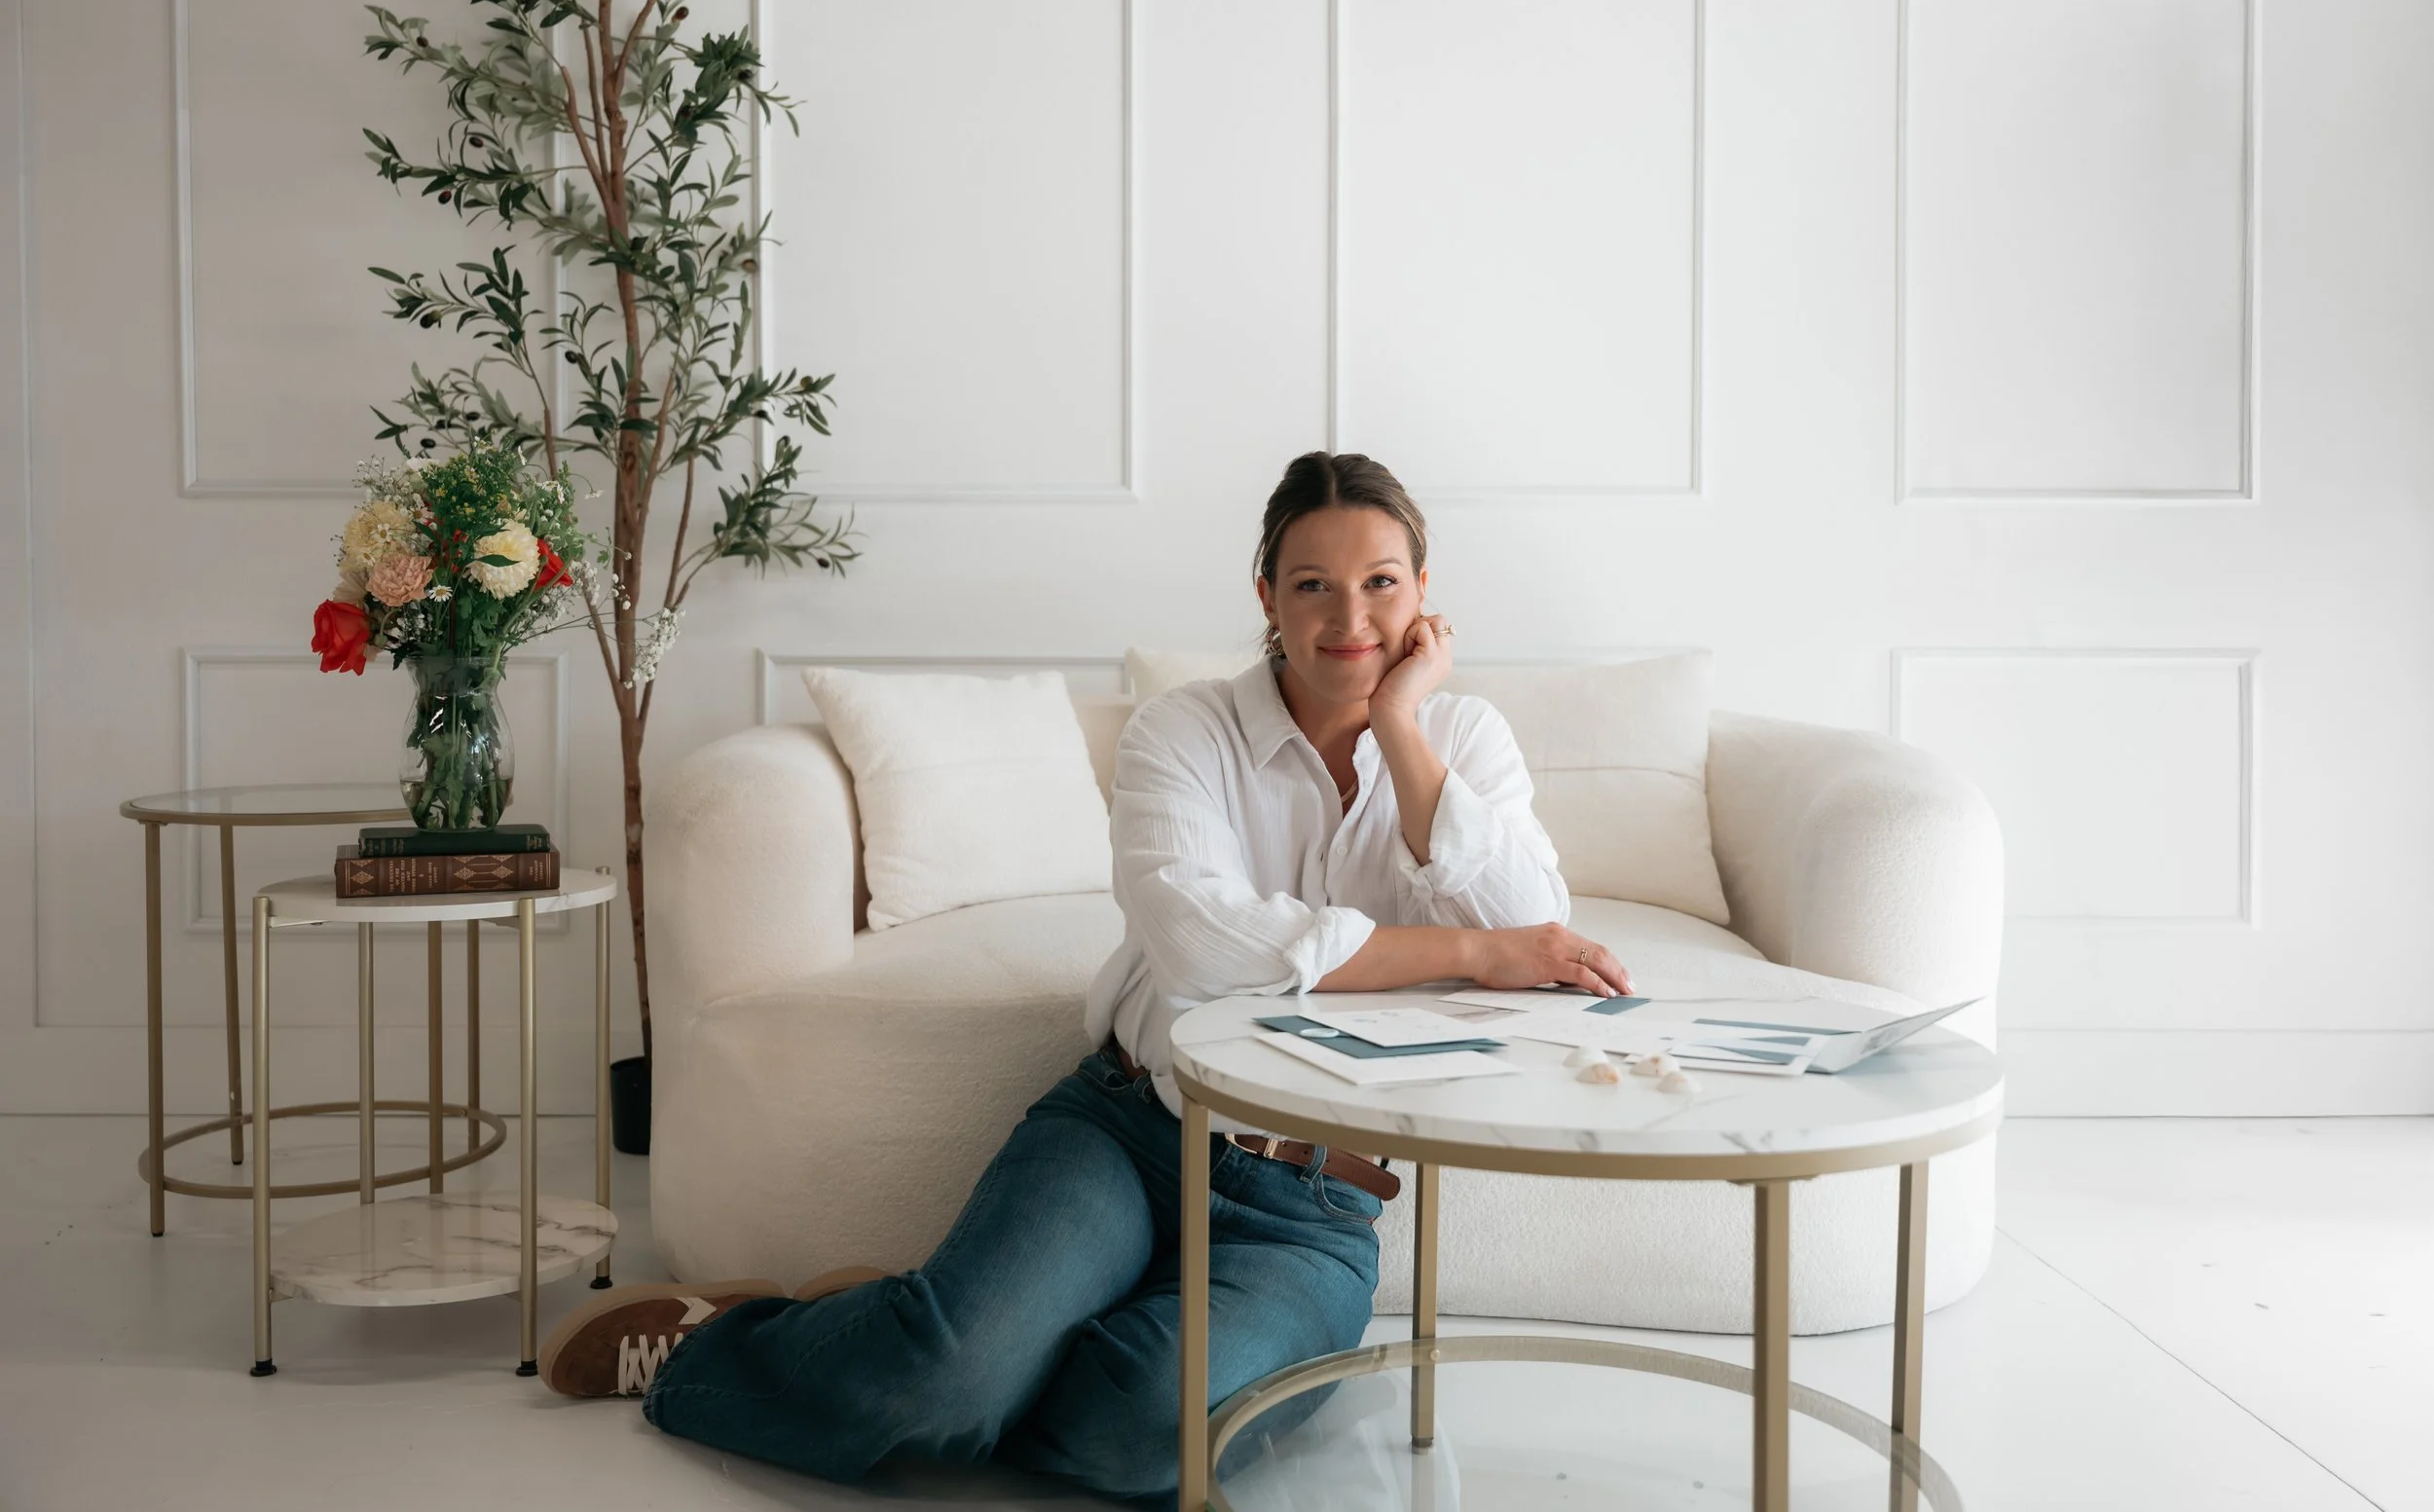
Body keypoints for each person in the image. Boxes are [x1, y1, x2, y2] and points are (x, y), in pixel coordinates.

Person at [535, 451, 1631, 1504]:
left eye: (1380, 583)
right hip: (1133, 1127)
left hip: (1314, 1200)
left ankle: (900, 1330)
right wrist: (1477, 954)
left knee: (1143, 1434)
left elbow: (1531, 919)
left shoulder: (1462, 739)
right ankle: (747, 1340)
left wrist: (1399, 727)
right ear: (1265, 593)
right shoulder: (1183, 731)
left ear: (1423, 594)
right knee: (937, 1380)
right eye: (1314, 585)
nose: (1350, 620)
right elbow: (1206, 947)